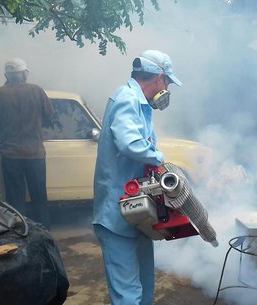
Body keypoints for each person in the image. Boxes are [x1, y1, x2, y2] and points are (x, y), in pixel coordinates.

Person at [92, 49, 182, 305]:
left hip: (137, 213)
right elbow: (130, 143)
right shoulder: (126, 98)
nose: (165, 90)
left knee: (144, 288)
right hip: (116, 215)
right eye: (167, 83)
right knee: (128, 294)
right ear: (160, 78)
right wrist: (159, 160)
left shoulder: (141, 105)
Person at [0, 58, 54, 227]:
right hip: (35, 153)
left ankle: (20, 232)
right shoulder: (36, 90)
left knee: (15, 197)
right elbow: (50, 114)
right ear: (25, 74)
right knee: (39, 196)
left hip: (11, 154)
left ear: (6, 75)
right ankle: (43, 231)